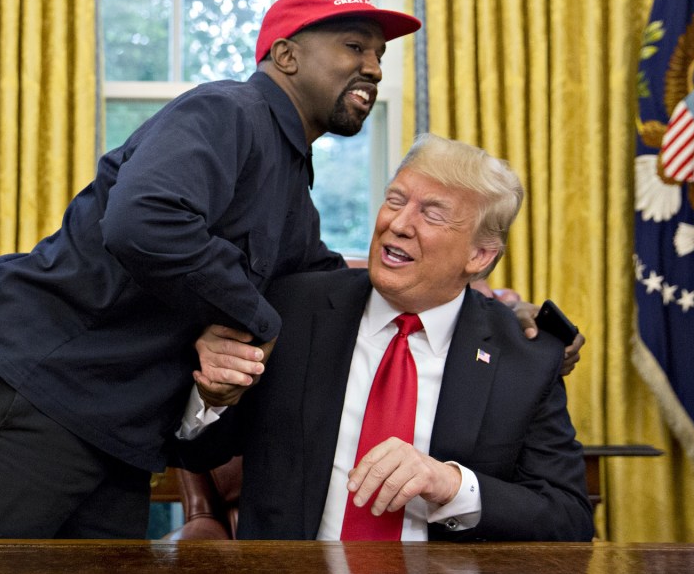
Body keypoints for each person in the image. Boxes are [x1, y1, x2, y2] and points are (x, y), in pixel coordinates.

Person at [0, 0, 425, 540]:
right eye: (355, 47)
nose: (374, 68)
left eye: (379, 54)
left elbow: (320, 286)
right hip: (39, 383)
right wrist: (257, 320)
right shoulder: (229, 112)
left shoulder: (291, 187)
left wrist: (462, 303)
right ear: (286, 56)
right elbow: (144, 219)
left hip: (118, 425)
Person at [177, 134, 594, 541]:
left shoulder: (525, 357)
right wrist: (210, 398)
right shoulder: (290, 310)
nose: (397, 224)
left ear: (479, 255)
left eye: (432, 214)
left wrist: (450, 485)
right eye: (395, 200)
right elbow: (196, 452)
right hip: (296, 573)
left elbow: (568, 517)